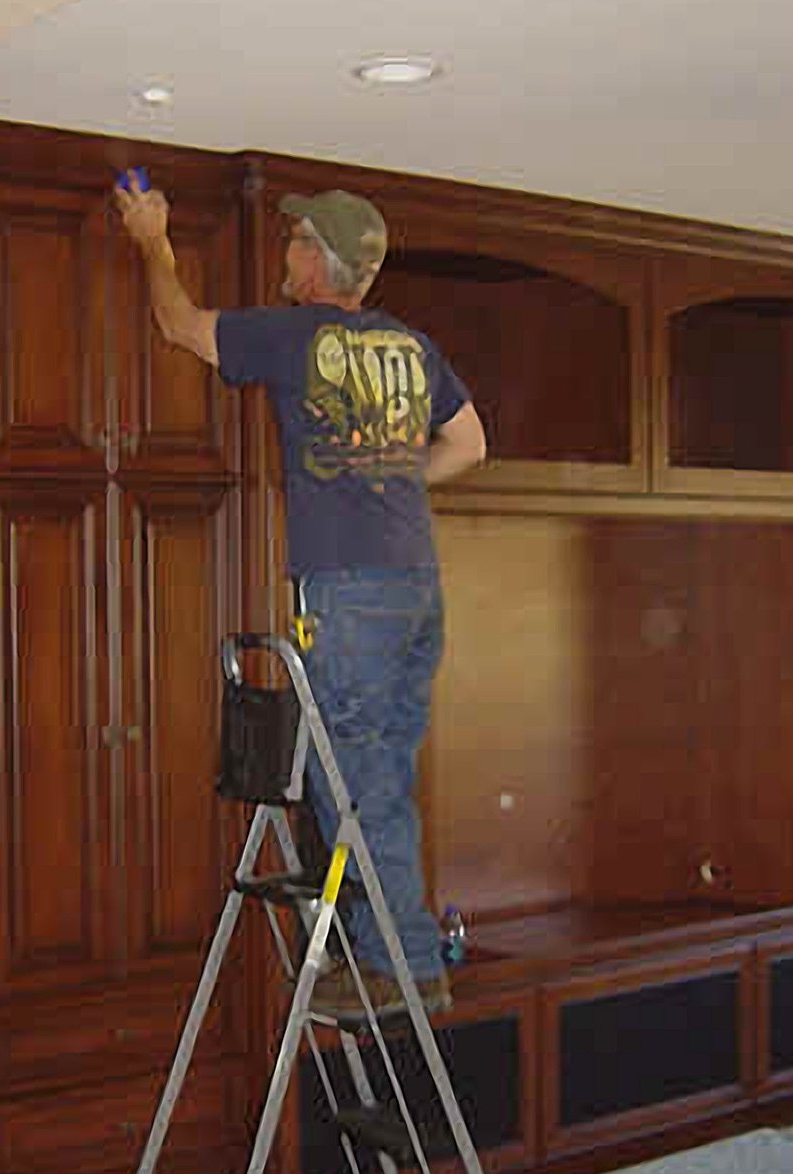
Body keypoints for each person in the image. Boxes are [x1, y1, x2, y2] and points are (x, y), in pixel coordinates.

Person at [114, 176, 488, 1018]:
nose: (286, 254)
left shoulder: (293, 336)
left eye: (295, 242)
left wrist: (152, 241)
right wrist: (391, 482)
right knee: (381, 775)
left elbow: (178, 324)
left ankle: (402, 970)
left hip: (349, 594)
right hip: (416, 587)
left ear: (318, 259)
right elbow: (469, 444)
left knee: (353, 784)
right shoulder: (412, 345)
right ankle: (401, 957)